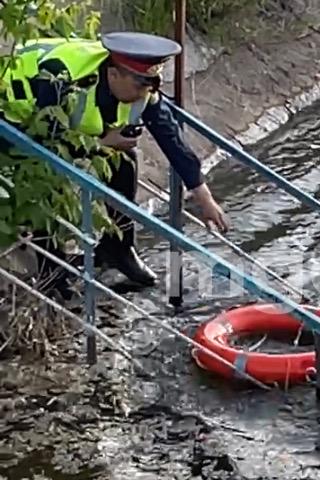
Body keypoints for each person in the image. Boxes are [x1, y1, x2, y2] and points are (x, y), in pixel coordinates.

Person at [0, 31, 229, 290]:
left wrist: (204, 198)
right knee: (47, 177)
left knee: (124, 161)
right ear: (113, 75)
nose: (147, 93)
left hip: (63, 134)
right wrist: (102, 143)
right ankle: (52, 272)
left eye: (153, 84)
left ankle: (117, 248)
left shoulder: (142, 91)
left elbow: (173, 141)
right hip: (13, 120)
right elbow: (47, 140)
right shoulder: (62, 77)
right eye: (140, 84)